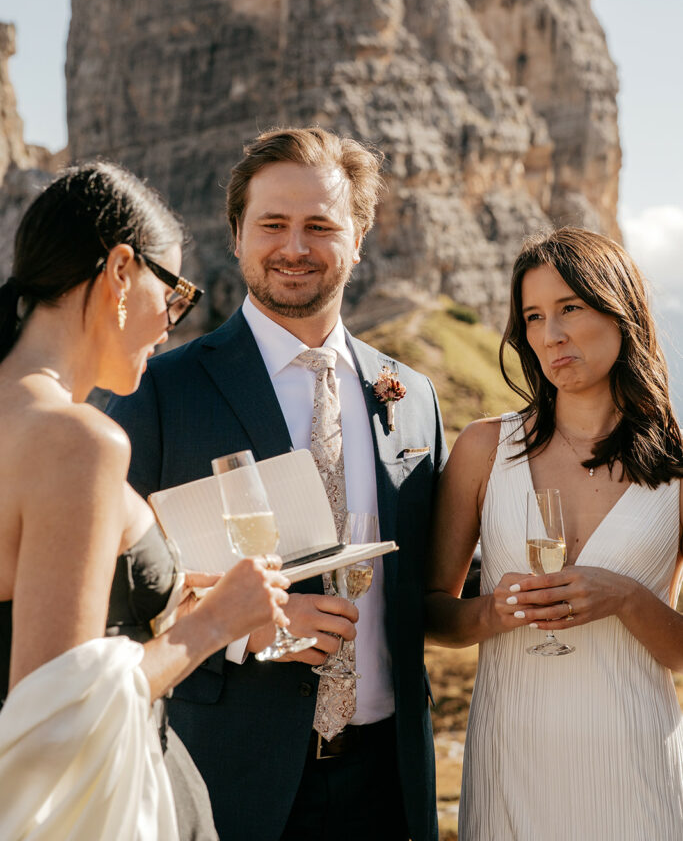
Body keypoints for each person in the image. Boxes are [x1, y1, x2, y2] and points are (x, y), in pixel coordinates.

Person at [107, 126, 447, 841]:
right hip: (222, 780)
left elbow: (431, 574)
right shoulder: (161, 391)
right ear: (236, 235)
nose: (294, 246)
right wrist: (237, 628)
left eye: (320, 226)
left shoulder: (411, 395)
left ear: (358, 237)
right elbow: (108, 599)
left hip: (388, 785)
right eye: (273, 224)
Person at [0, 162, 290, 841]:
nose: (171, 321)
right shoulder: (79, 440)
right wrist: (215, 621)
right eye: (177, 293)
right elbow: (56, 710)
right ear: (121, 272)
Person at [427, 226, 683, 840]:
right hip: (511, 760)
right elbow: (429, 612)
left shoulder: (677, 467)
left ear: (622, 312)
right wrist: (492, 612)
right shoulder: (484, 449)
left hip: (638, 768)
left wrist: (625, 599)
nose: (551, 335)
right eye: (533, 317)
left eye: (570, 307)